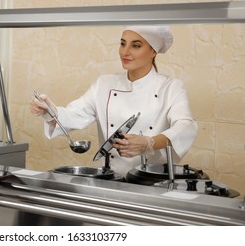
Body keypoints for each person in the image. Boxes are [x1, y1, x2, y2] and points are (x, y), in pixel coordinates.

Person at [30, 25, 198, 176]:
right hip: (110, 179)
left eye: (136, 45)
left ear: (153, 51)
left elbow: (185, 127)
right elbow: (75, 114)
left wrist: (150, 143)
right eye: (123, 43)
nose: (125, 52)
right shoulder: (104, 84)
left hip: (152, 182)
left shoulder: (171, 87)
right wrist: (51, 112)